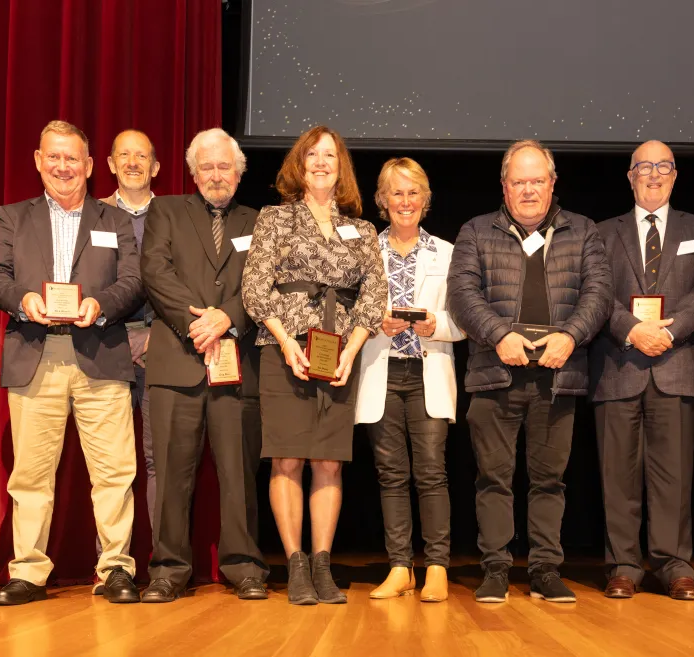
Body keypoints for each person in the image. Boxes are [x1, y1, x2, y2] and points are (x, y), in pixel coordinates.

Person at [0, 121, 144, 605]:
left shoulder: (113, 219)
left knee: (115, 472)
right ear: (37, 160)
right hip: (36, 354)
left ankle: (115, 569)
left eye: (72, 158)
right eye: (53, 157)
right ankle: (29, 572)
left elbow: (134, 281)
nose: (62, 166)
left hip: (100, 351)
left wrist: (103, 306)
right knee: (30, 474)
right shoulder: (13, 216)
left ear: (90, 166)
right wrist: (22, 299)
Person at [447, 139, 611, 603]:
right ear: (504, 186)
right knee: (492, 478)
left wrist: (570, 335)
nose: (528, 190)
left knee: (550, 479)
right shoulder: (476, 231)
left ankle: (544, 568)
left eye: (537, 180)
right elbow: (462, 294)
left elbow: (598, 293)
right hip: (494, 373)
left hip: (557, 376)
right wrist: (499, 335)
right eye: (519, 182)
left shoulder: (584, 231)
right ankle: (496, 568)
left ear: (553, 183)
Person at [242, 126, 386, 605]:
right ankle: (296, 566)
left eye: (331, 155)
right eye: (312, 155)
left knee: (329, 461)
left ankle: (323, 566)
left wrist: (351, 349)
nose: (322, 162)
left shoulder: (362, 229)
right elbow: (255, 287)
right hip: (286, 349)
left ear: (341, 166)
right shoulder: (275, 219)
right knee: (287, 458)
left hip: (338, 353)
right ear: (298, 165)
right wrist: (285, 342)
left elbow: (374, 293)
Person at [139, 129, 268, 602]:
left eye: (225, 167)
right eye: (207, 167)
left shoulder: (261, 221)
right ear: (193, 173)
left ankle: (245, 566)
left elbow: (262, 283)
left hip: (238, 364)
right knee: (172, 473)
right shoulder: (165, 211)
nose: (217, 175)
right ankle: (169, 570)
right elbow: (155, 272)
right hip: (178, 361)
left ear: (239, 172)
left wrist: (227, 318)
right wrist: (198, 324)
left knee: (239, 474)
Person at [589, 140, 694, 601]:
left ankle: (674, 564)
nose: (653, 174)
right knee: (616, 475)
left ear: (675, 175)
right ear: (630, 175)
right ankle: (623, 565)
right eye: (644, 167)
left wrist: (671, 331)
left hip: (678, 366)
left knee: (674, 475)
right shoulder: (601, 233)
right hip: (619, 365)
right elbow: (596, 294)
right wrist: (632, 329)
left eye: (663, 166)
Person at [355, 158, 464, 602]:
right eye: (396, 193)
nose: (405, 201)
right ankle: (400, 567)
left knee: (432, 474)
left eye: (413, 192)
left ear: (425, 200)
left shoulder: (449, 251)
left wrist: (434, 324)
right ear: (382, 200)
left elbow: (464, 321)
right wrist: (373, 321)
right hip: (381, 373)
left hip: (428, 372)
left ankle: (436, 566)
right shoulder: (364, 250)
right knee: (390, 475)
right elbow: (347, 314)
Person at [99, 129, 160, 533]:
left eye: (141, 156)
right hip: (106, 346)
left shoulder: (174, 214)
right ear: (109, 164)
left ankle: (164, 566)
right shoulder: (92, 213)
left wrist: (165, 333)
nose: (133, 162)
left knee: (160, 460)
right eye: (124, 154)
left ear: (155, 166)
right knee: (110, 463)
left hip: (163, 347)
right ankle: (111, 566)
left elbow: (188, 283)